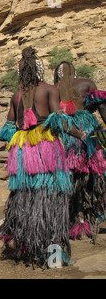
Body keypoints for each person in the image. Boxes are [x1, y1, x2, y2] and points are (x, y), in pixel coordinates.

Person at [0, 46, 86, 267]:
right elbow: (59, 121)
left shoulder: (16, 95)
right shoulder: (49, 90)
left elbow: (7, 129)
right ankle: (54, 256)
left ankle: (27, 248)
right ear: (39, 70)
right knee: (53, 201)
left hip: (22, 150)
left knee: (25, 198)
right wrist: (80, 133)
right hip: (46, 147)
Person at [54, 61, 106, 241]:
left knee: (69, 178)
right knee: (92, 177)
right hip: (88, 132)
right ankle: (84, 219)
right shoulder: (87, 83)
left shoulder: (55, 88)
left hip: (65, 134)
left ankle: (71, 221)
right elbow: (102, 109)